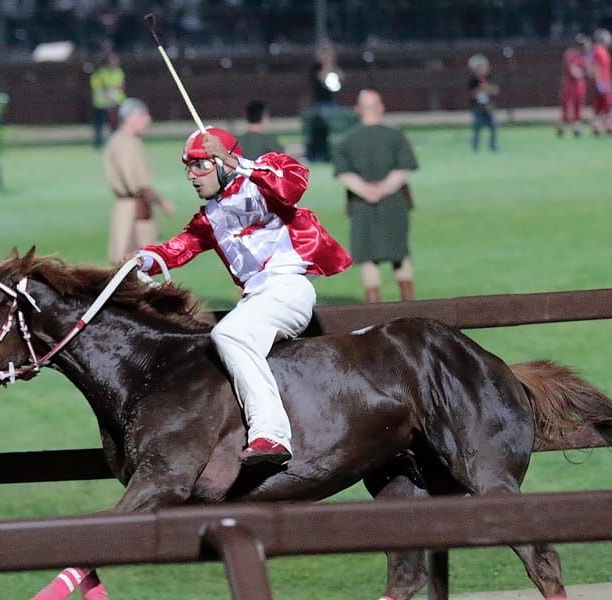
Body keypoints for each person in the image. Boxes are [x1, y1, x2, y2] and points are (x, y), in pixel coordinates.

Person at [137, 127, 352, 465]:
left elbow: (293, 185)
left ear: (220, 162)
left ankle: (273, 436)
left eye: (199, 166)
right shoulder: (208, 217)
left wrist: (233, 160)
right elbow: (176, 249)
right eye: (187, 168)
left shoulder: (262, 176)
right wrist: (142, 259)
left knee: (228, 333)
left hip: (287, 289)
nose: (191, 177)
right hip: (256, 299)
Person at [333, 90, 418, 304]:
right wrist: (384, 188)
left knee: (368, 257)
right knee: (400, 254)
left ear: (358, 110)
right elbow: (404, 169)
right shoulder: (396, 136)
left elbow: (344, 174)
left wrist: (365, 190)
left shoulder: (346, 141)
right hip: (394, 202)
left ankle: (373, 309)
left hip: (361, 204)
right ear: (381, 108)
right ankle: (409, 307)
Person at [103, 98, 175, 264]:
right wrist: (162, 203)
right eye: (144, 115)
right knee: (134, 263)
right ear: (130, 118)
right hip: (134, 211)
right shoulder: (128, 143)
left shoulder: (118, 140)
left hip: (128, 208)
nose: (148, 120)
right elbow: (138, 184)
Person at [305, 40, 344, 161]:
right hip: (319, 104)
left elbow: (339, 81)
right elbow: (323, 79)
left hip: (331, 103)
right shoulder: (315, 68)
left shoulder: (334, 68)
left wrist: (332, 66)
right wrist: (327, 65)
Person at [90, 50, 126, 148]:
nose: (114, 63)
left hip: (116, 102)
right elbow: (101, 87)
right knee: (99, 125)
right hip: (101, 103)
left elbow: (121, 86)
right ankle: (98, 144)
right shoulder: (100, 73)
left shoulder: (119, 72)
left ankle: (117, 143)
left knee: (115, 125)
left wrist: (113, 91)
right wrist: (110, 92)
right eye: (112, 61)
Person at [557, 34, 590, 137]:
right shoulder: (570, 54)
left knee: (578, 107)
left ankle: (576, 128)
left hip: (579, 85)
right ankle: (561, 127)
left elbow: (586, 70)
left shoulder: (583, 56)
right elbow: (573, 70)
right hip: (569, 84)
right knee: (566, 107)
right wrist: (580, 73)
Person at [467, 54, 499, 152]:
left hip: (488, 106)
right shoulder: (473, 80)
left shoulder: (489, 78)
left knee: (493, 125)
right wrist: (480, 89)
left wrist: (487, 88)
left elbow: (495, 90)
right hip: (477, 107)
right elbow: (472, 93)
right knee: (477, 127)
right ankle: (475, 145)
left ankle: (493, 145)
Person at [590, 28, 612, 135]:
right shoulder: (598, 51)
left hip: (605, 83)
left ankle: (600, 127)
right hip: (602, 83)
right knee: (606, 105)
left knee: (601, 106)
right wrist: (599, 82)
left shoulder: (602, 51)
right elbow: (595, 67)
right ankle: (607, 127)